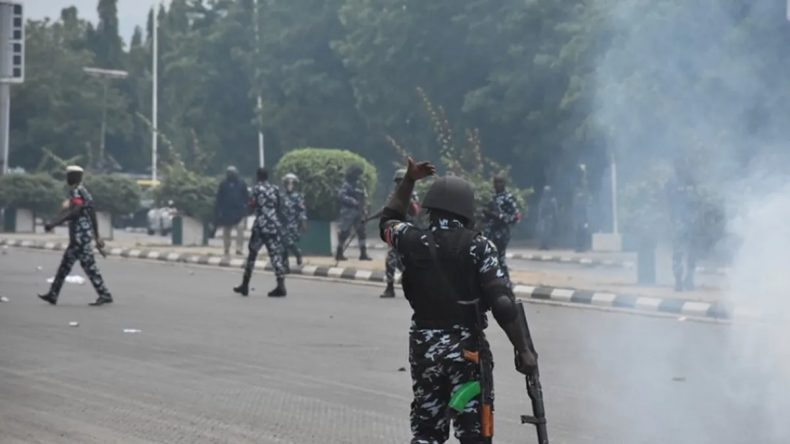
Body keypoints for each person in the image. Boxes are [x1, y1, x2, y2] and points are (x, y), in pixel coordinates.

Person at [380, 158, 538, 444]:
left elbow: (387, 220)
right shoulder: (479, 246)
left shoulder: (411, 239)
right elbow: (502, 303)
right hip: (467, 352)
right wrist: (523, 349)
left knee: (427, 432)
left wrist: (409, 180)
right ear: (466, 210)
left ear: (430, 209)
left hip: (424, 347)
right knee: (474, 434)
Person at [38, 165, 113, 306]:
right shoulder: (84, 191)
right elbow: (92, 213)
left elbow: (76, 212)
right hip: (81, 236)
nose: (67, 179)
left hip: (80, 237)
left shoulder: (77, 191)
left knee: (88, 267)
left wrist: (54, 223)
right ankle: (53, 294)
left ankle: (104, 294)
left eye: (69, 176)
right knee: (65, 266)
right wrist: (96, 235)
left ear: (74, 177)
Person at [234, 167, 287, 297]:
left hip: (260, 226)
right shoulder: (275, 189)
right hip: (273, 226)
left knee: (252, 254)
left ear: (258, 177)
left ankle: (245, 285)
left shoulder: (256, 189)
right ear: (267, 176)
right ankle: (281, 285)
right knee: (275, 255)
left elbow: (251, 207)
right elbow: (280, 207)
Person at [380, 168, 420, 299]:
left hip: (408, 231)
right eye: (397, 182)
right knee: (391, 259)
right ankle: (390, 287)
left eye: (401, 182)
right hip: (394, 229)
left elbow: (416, 212)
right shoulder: (393, 195)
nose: (399, 185)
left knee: (406, 261)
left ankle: (415, 286)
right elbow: (386, 210)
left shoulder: (413, 196)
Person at [482, 176, 521, 281]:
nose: (497, 185)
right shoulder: (493, 198)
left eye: (500, 182)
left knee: (500, 259)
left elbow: (516, 217)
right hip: (491, 233)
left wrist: (499, 217)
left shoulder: (508, 198)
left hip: (502, 233)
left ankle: (506, 282)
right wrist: (487, 215)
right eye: (495, 182)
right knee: (490, 259)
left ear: (504, 184)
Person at [667, 165, 699, 291]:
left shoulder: (692, 183)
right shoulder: (672, 183)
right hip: (679, 223)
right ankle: (679, 281)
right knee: (678, 254)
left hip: (691, 223)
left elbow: (697, 202)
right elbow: (668, 203)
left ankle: (689, 279)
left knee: (692, 253)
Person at [335, 165, 372, 261]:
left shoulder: (360, 186)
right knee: (344, 232)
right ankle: (339, 253)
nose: (358, 177)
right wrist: (352, 201)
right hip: (348, 212)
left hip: (359, 211)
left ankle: (363, 254)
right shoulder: (346, 185)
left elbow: (363, 198)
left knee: (362, 233)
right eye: (357, 174)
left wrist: (364, 209)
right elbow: (341, 196)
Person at [215, 166, 249, 257]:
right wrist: (219, 210)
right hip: (227, 212)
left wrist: (245, 208)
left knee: (240, 230)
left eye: (232, 173)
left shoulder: (242, 183)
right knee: (226, 231)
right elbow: (219, 198)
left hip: (239, 212)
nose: (231, 175)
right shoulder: (223, 184)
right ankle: (226, 248)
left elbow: (246, 197)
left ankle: (239, 249)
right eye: (229, 173)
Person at [280, 173, 308, 272]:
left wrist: (303, 221)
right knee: (283, 245)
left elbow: (302, 210)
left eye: (292, 183)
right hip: (282, 224)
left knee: (289, 243)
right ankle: (285, 265)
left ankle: (297, 253)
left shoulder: (298, 197)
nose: (290, 186)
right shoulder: (281, 196)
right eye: (288, 183)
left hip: (293, 224)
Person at [536, 185, 559, 250]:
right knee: (542, 232)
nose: (546, 193)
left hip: (549, 217)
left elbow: (555, 210)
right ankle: (542, 245)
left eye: (547, 191)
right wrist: (539, 219)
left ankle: (546, 245)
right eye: (545, 191)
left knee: (548, 232)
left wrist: (556, 218)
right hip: (543, 218)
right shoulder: (542, 200)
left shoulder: (553, 200)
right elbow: (540, 209)